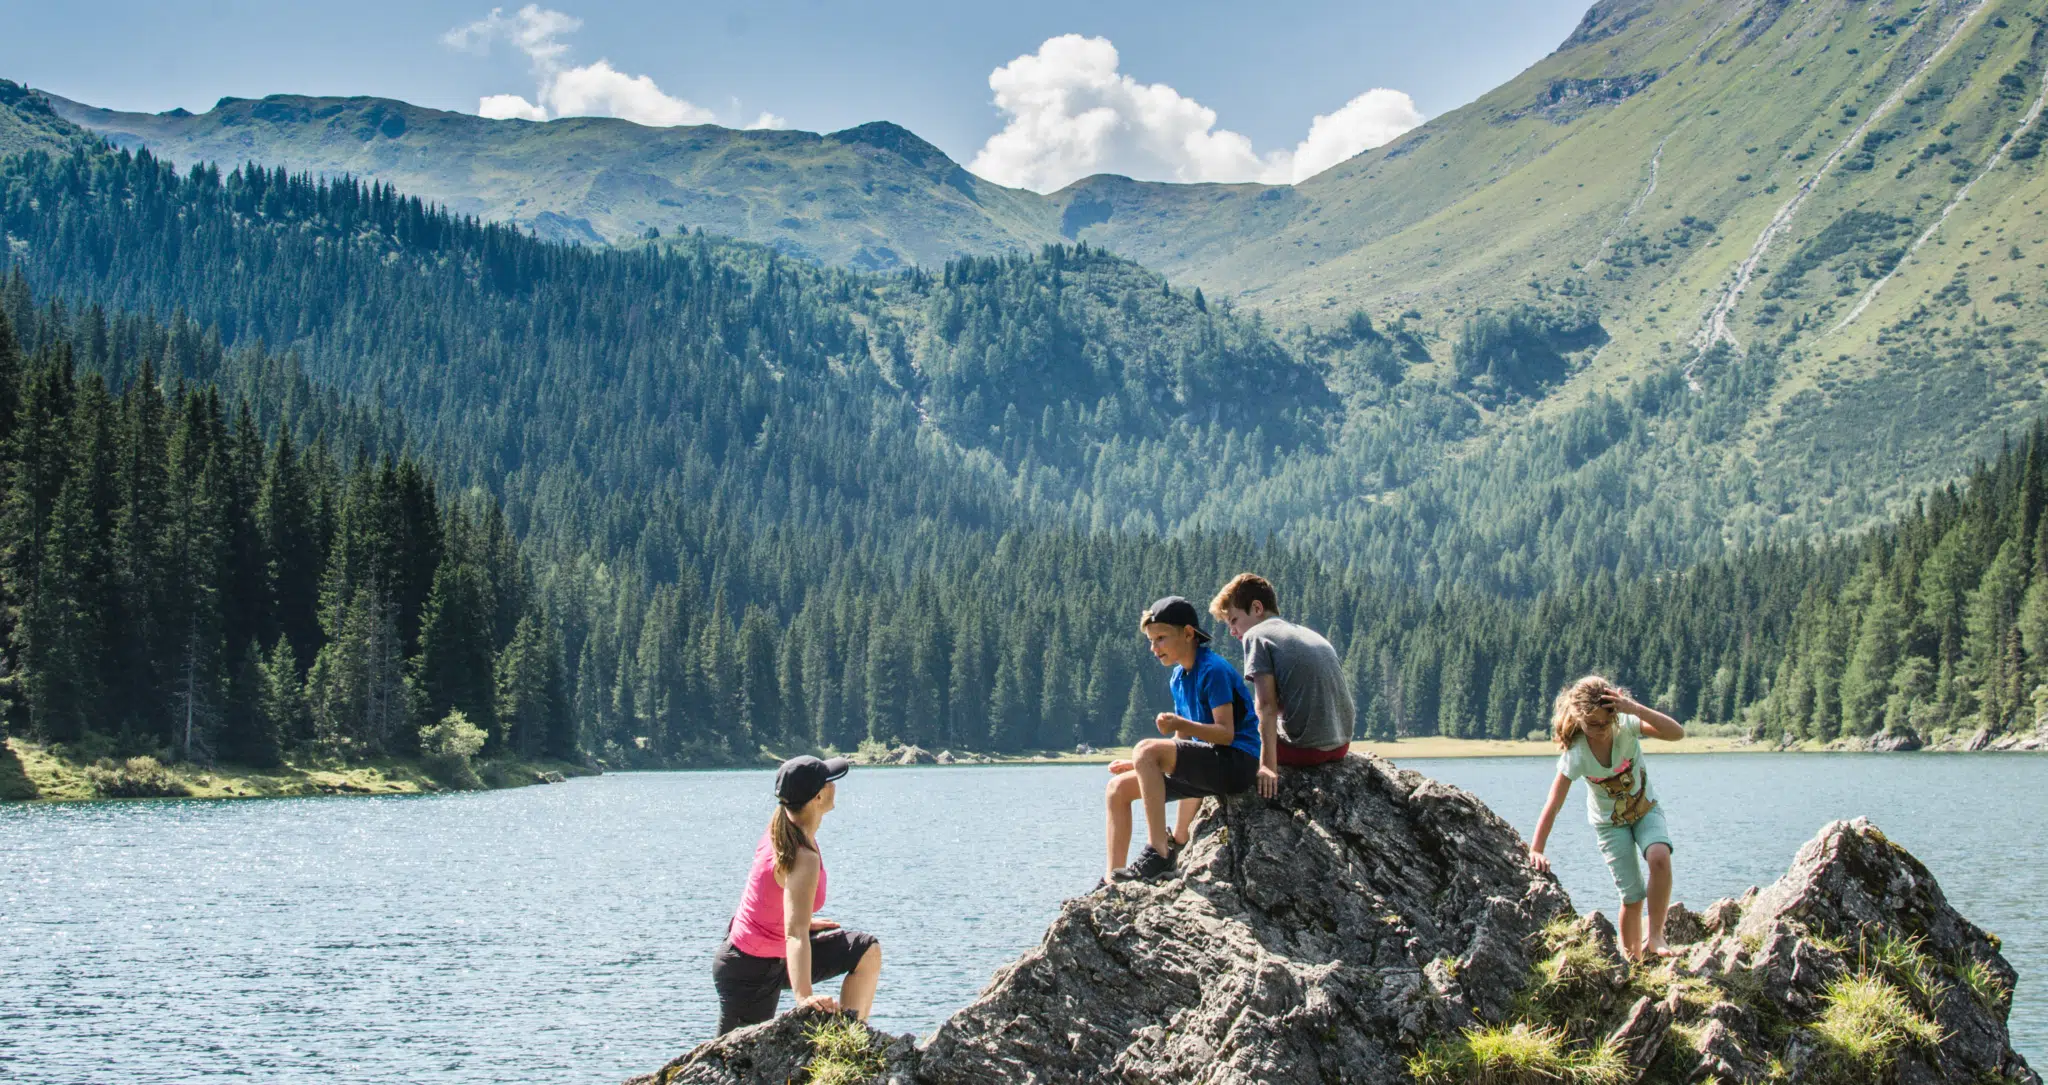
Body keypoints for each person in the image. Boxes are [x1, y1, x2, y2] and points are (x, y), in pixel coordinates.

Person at [711, 755, 883, 1034]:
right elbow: (795, 933)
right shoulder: (801, 856)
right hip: (749, 969)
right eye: (828, 782)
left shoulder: (784, 822)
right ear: (818, 797)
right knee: (735, 1071)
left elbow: (765, 895)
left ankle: (850, 1041)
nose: (833, 786)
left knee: (866, 951)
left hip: (777, 951)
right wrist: (805, 998)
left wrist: (800, 922)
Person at [1527, 676, 1686, 961]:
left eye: (1605, 723)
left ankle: (1657, 936)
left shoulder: (1627, 725)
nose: (1600, 731)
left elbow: (1676, 733)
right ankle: (1633, 960)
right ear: (1579, 719)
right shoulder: (1576, 754)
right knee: (1633, 895)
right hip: (1610, 826)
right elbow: (1553, 803)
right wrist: (1537, 848)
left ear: (1614, 715)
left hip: (1646, 809)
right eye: (1593, 725)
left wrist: (1634, 708)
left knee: (1660, 857)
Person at [1103, 596, 1261, 882]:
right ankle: (1112, 878)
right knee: (1117, 789)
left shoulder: (1213, 670)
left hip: (1237, 764)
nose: (1154, 648)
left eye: (1161, 638)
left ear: (1188, 634)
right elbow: (1182, 743)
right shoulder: (1178, 677)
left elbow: (1226, 734)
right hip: (1210, 765)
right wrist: (1139, 765)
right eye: (1151, 640)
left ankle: (1159, 854)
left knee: (1146, 749)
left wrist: (1175, 728)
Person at [1209, 573, 1355, 806]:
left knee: (1228, 732)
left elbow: (1266, 706)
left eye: (1234, 621)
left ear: (1257, 608)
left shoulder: (1257, 635)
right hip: (1341, 746)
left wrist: (1267, 767)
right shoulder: (1306, 633)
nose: (1232, 632)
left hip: (1306, 749)